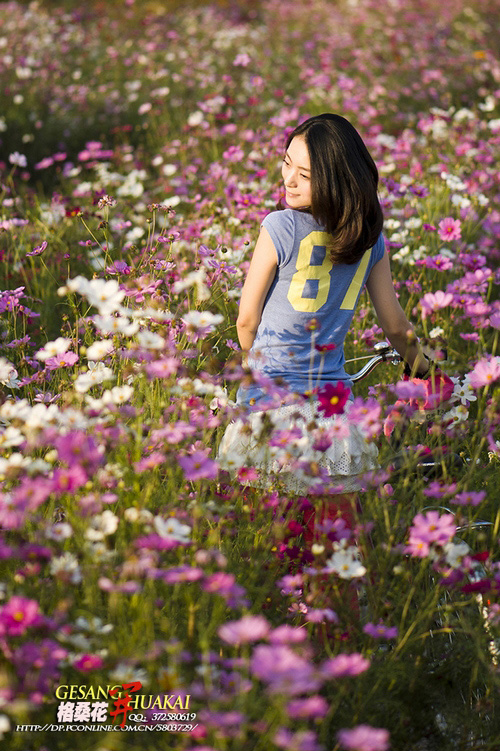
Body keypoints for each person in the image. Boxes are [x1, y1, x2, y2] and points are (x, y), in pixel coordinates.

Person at [218, 113, 430, 537]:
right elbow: (393, 323)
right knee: (333, 552)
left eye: (306, 174)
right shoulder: (370, 240)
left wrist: (251, 361)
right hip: (334, 419)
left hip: (269, 409)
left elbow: (246, 319)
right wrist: (422, 365)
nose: (289, 180)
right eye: (286, 163)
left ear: (336, 179)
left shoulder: (278, 226)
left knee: (264, 547)